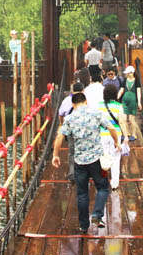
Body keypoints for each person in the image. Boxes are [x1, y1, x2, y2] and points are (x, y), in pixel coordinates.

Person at [51, 93, 120, 233]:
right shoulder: (96, 113)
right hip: (97, 160)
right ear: (86, 101)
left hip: (79, 162)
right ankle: (97, 215)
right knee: (103, 187)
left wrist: (55, 155)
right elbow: (112, 128)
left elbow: (59, 137)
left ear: (73, 104)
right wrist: (116, 142)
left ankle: (83, 225)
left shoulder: (69, 118)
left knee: (82, 193)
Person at [98, 83, 129, 190]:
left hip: (103, 135)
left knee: (104, 158)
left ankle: (103, 182)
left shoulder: (99, 106)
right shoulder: (118, 106)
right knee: (115, 158)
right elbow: (122, 122)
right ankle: (115, 183)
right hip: (115, 135)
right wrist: (126, 136)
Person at [58, 81, 85, 184]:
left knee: (72, 152)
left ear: (73, 90)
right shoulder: (85, 100)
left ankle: (72, 174)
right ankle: (83, 173)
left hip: (70, 129)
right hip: (83, 129)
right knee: (83, 150)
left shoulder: (66, 100)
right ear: (83, 90)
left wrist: (62, 124)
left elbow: (61, 114)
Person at [117, 66, 141, 142]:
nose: (127, 74)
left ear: (132, 73)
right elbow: (122, 89)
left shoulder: (136, 81)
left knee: (131, 119)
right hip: (125, 100)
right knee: (123, 118)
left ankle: (133, 134)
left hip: (133, 101)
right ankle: (126, 133)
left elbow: (138, 91)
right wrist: (117, 97)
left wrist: (139, 102)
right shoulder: (125, 80)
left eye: (128, 73)